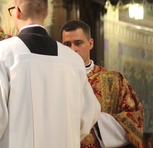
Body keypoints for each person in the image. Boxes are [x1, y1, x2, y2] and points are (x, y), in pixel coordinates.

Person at [0, 0, 100, 148]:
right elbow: (89, 112)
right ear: (46, 13)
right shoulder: (73, 60)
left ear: (17, 12)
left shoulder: (0, 53)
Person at [61, 20, 144, 148]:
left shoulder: (114, 80)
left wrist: (95, 118)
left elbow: (134, 118)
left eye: (78, 43)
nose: (73, 49)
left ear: (90, 43)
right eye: (67, 45)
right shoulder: (57, 80)